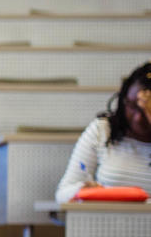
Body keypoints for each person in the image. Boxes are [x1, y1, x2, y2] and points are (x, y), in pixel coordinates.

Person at [53, 62, 151, 203]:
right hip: (104, 223)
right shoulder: (104, 130)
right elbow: (62, 194)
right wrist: (84, 191)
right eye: (133, 106)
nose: (138, 117)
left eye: (145, 110)